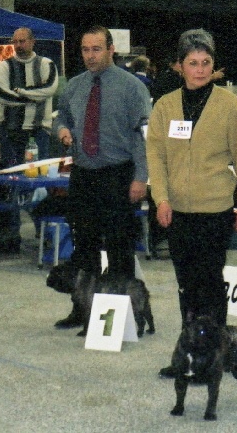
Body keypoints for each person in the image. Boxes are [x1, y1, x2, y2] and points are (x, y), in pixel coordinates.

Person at [146, 28, 237, 378]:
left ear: (213, 65)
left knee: (210, 287)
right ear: (180, 66)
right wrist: (160, 198)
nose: (200, 69)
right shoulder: (164, 107)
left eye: (206, 62)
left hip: (215, 212)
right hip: (177, 212)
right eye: (192, 63)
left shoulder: (229, 105)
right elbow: (156, 158)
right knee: (186, 287)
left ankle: (213, 360)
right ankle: (187, 357)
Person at [54, 26, 151, 294]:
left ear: (111, 50)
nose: (90, 56)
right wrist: (61, 130)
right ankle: (83, 309)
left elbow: (144, 136)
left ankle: (123, 311)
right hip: (83, 175)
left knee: (120, 246)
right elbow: (61, 117)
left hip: (118, 175)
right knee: (83, 245)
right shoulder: (74, 86)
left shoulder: (133, 88)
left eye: (96, 49)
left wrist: (141, 177)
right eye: (85, 50)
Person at [0, 27, 59, 166]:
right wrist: (34, 98)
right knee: (12, 175)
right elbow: (1, 95)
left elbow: (49, 89)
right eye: (15, 42)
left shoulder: (47, 64)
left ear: (32, 42)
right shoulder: (4, 66)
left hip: (40, 130)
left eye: (22, 41)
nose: (18, 45)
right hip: (10, 130)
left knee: (40, 174)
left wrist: (21, 92)